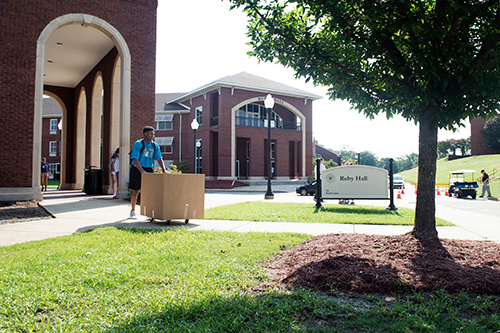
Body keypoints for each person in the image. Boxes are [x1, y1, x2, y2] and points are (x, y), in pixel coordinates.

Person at [128, 126, 166, 219]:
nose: (152, 136)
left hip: (149, 168)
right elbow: (135, 158)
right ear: (145, 134)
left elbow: (159, 158)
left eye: (153, 134)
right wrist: (141, 171)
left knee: (150, 191)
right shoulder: (138, 144)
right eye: (151, 134)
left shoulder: (154, 145)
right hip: (137, 168)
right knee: (135, 190)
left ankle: (150, 213)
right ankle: (132, 211)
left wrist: (164, 170)